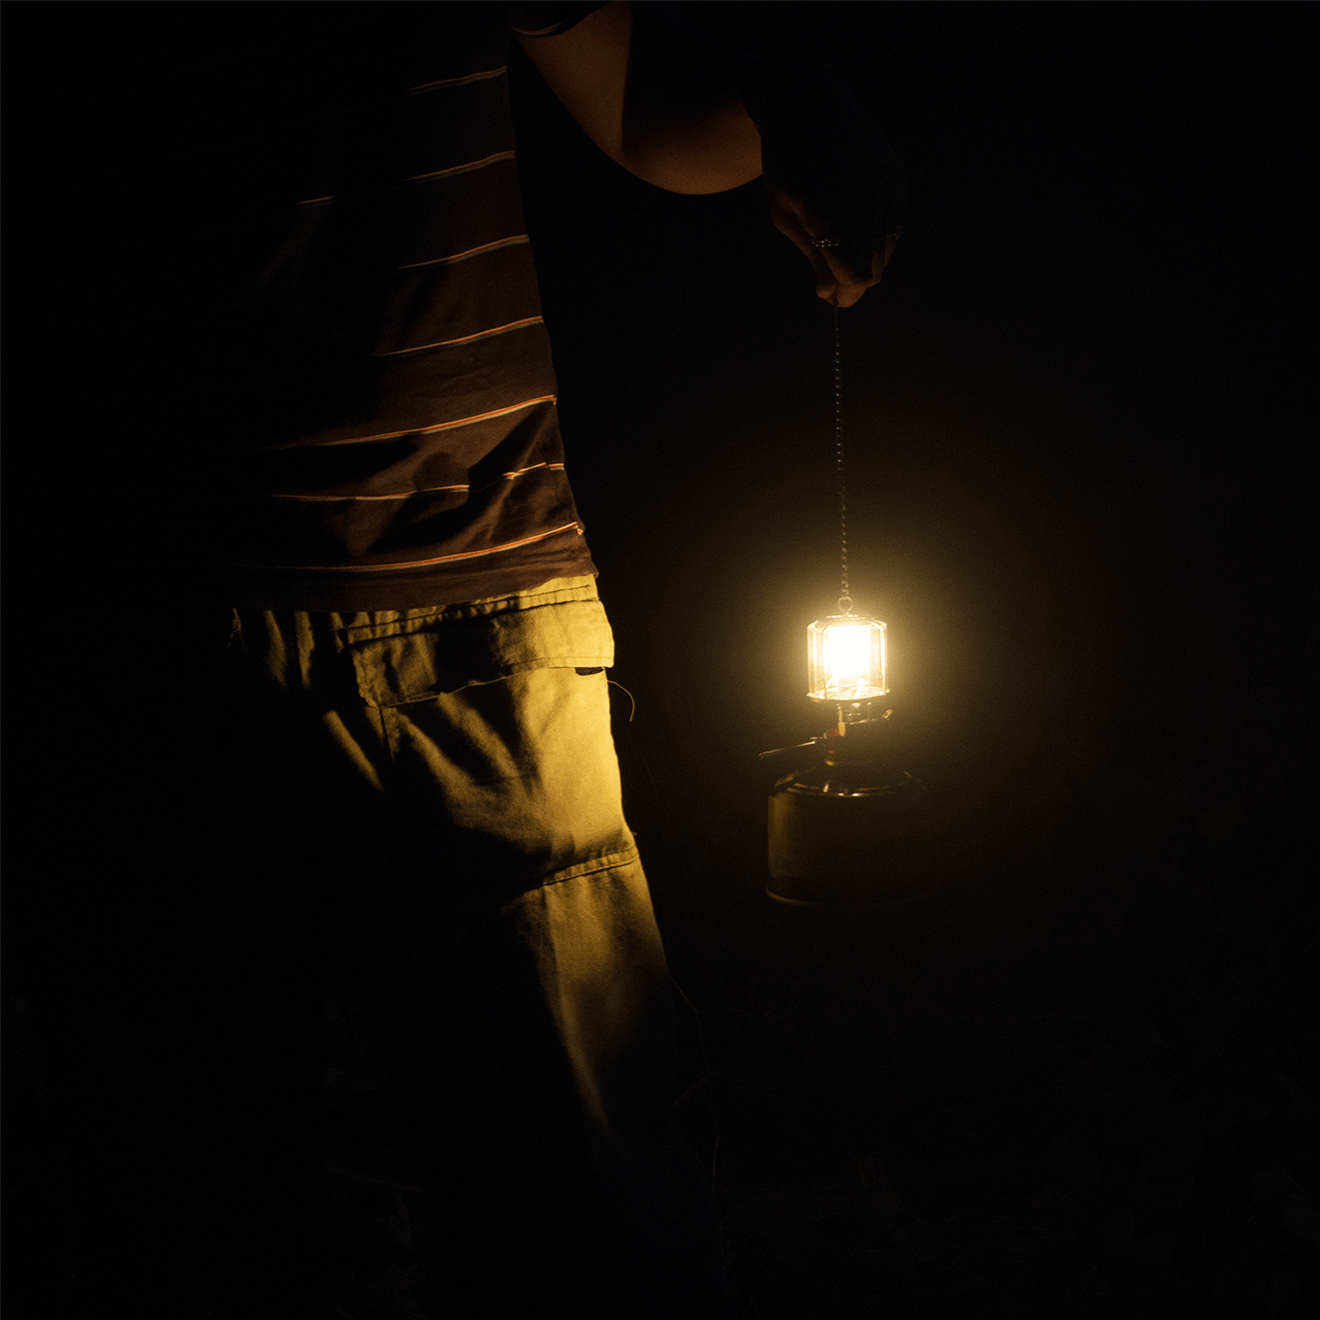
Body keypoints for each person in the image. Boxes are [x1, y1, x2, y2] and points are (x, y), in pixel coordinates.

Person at [27, 4, 905, 1316]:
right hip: (161, 626)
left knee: (585, 1206)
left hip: (474, 610)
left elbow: (636, 106)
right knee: (187, 1215)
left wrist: (783, 103)